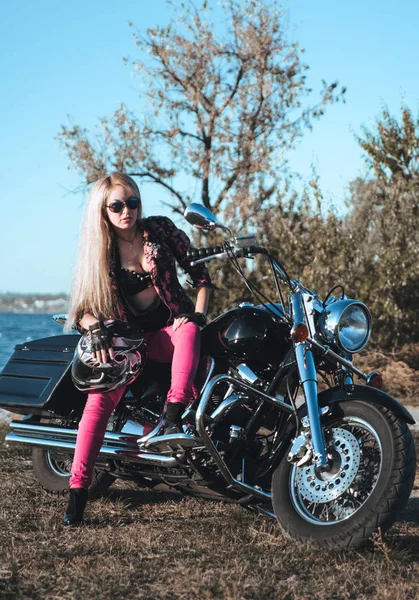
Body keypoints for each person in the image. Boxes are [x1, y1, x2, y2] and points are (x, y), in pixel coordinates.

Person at [64, 172, 214, 526]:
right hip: (127, 341)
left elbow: (202, 277)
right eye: (116, 205)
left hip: (167, 333)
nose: (126, 211)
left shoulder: (159, 230)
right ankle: (77, 495)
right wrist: (94, 329)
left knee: (190, 330)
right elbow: (83, 310)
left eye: (132, 202)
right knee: (97, 406)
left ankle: (175, 414)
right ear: (103, 211)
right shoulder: (99, 252)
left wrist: (196, 313)